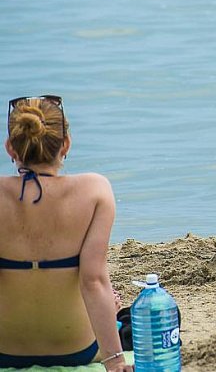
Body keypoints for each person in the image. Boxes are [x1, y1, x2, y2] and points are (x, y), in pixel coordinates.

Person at [1, 96, 130, 371]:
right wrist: (116, 361)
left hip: (4, 350)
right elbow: (93, 282)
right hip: (76, 350)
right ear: (66, 143)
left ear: (10, 147)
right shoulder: (95, 190)